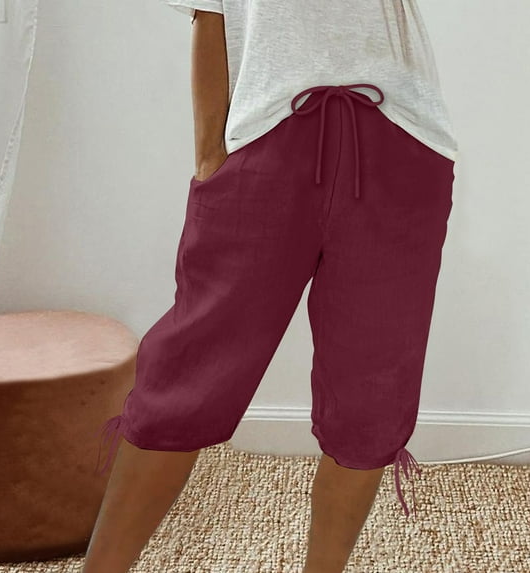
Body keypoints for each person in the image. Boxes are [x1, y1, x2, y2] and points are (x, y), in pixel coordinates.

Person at [83, 2, 459, 572]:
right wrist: (210, 154)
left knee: (372, 397)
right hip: (266, 138)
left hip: (401, 142)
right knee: (186, 374)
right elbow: (210, 12)